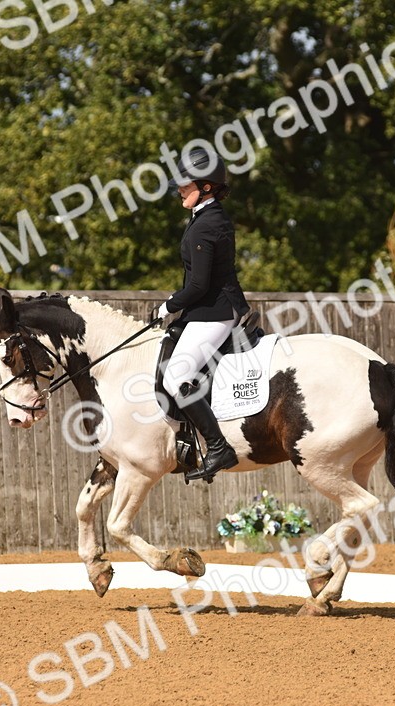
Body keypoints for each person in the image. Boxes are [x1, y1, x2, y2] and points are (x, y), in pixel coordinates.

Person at [155, 148, 250, 481]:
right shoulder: (207, 217)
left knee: (176, 377)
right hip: (208, 309)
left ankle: (218, 447)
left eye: (185, 184)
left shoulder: (207, 224)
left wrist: (168, 306)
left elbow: (198, 285)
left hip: (216, 312)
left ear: (206, 186)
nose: (179, 189)